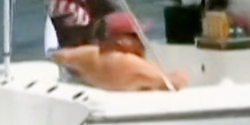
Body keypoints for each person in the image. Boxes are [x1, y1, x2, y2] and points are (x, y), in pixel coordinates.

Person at [51, 12, 189, 92]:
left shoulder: (91, 54)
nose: (143, 40)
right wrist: (181, 74)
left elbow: (60, 55)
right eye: (137, 35)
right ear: (121, 41)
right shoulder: (130, 63)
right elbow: (174, 85)